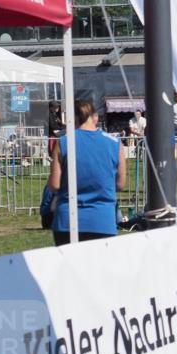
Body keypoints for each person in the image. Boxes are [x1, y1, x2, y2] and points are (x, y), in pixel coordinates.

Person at [49, 99, 126, 246]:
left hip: (67, 220)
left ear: (73, 118)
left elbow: (54, 185)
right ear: (95, 117)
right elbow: (121, 184)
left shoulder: (63, 142)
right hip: (103, 220)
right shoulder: (115, 143)